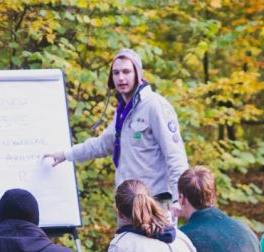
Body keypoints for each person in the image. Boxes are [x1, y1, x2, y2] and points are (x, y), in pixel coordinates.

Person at [44, 48, 189, 218]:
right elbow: (102, 144)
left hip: (155, 202)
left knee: (156, 245)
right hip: (128, 203)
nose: (121, 78)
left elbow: (175, 155)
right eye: (116, 73)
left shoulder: (155, 106)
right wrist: (65, 154)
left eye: (126, 72)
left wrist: (179, 198)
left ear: (138, 74)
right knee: (126, 245)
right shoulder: (123, 111)